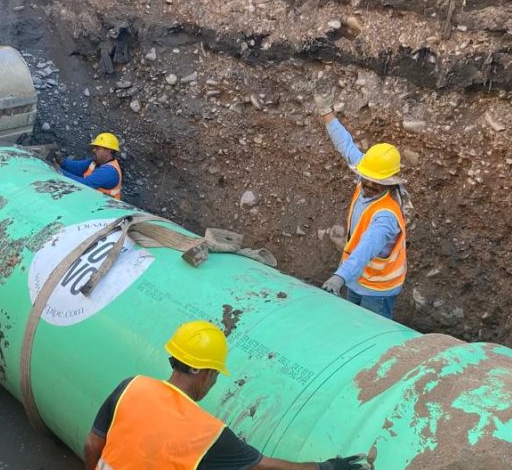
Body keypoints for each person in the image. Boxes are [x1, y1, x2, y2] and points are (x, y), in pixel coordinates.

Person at [84, 320, 372, 470]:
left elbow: (92, 445)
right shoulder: (206, 433)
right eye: (215, 373)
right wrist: (324, 467)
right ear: (201, 371)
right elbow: (265, 466)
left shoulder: (132, 386)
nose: (213, 382)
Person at [313, 88, 408, 319]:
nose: (368, 185)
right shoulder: (367, 175)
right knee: (351, 322)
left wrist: (339, 277)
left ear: (388, 182)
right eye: (366, 178)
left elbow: (366, 248)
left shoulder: (386, 216)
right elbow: (346, 146)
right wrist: (327, 113)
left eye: (376, 182)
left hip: (378, 288)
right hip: (356, 278)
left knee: (369, 330)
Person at [58, 132, 123, 199]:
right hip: (92, 200)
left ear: (108, 150)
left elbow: (85, 184)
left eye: (97, 148)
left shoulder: (109, 171)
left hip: (104, 205)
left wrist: (58, 171)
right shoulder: (96, 161)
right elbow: (77, 167)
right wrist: (60, 160)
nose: (93, 150)